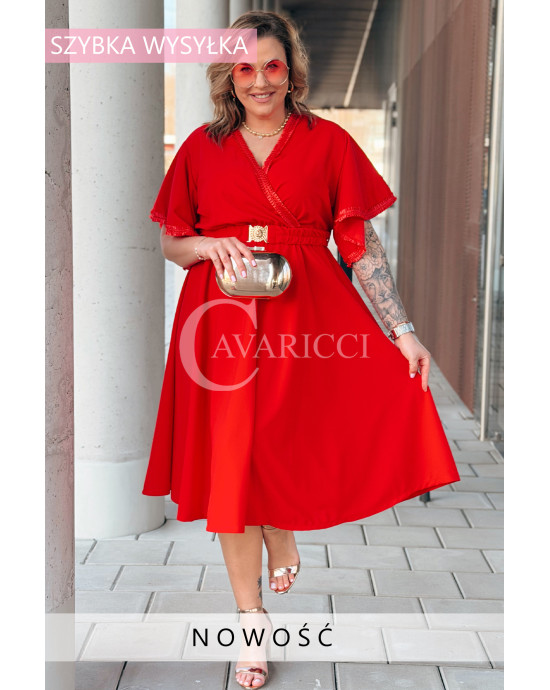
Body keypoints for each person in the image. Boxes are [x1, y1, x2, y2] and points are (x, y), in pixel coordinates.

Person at [142, 10, 460, 688]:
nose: (259, 81)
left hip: (307, 318)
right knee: (233, 461)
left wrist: (402, 329)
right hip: (221, 321)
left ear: (292, 72)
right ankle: (251, 626)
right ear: (229, 75)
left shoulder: (329, 142)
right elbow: (172, 241)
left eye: (272, 66)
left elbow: (360, 245)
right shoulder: (200, 147)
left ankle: (280, 526)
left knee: (282, 442)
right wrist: (208, 244)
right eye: (245, 68)